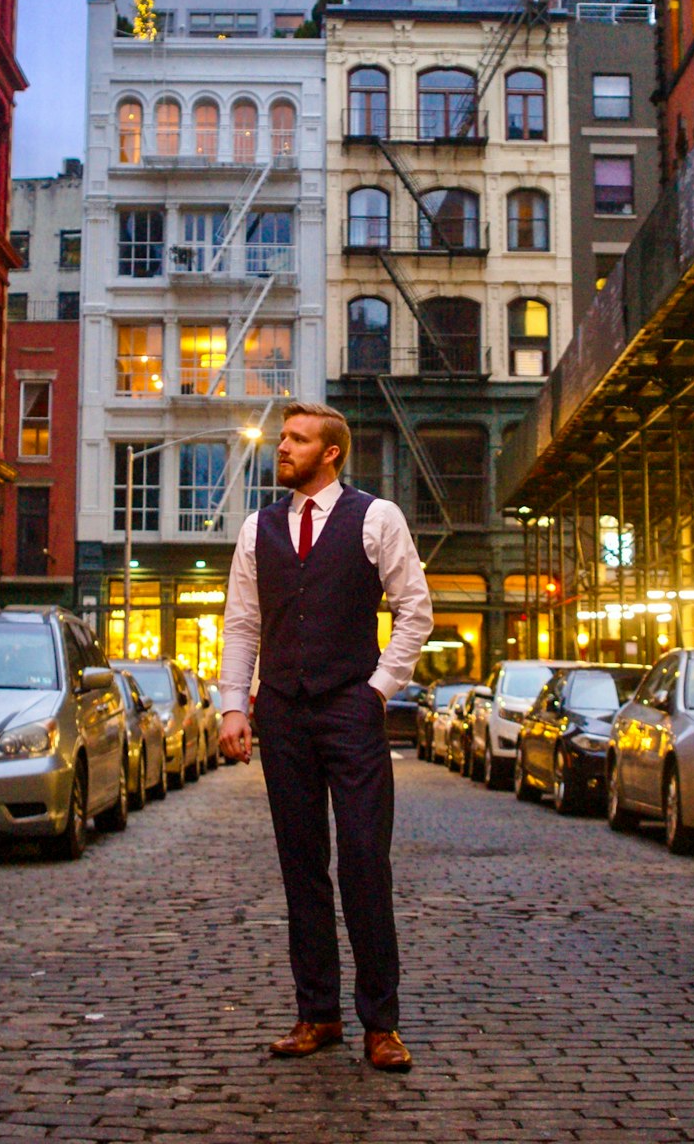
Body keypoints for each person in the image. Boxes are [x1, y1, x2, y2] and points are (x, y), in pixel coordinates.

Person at [220, 402, 433, 1072]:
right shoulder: (259, 529)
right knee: (301, 866)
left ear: (331, 452)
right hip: (282, 712)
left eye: (297, 439)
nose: (282, 448)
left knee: (365, 862)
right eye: (283, 438)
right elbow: (241, 624)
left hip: (351, 708)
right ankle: (317, 1014)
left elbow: (414, 609)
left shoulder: (376, 517)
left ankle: (381, 1023)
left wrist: (377, 688)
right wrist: (234, 707)